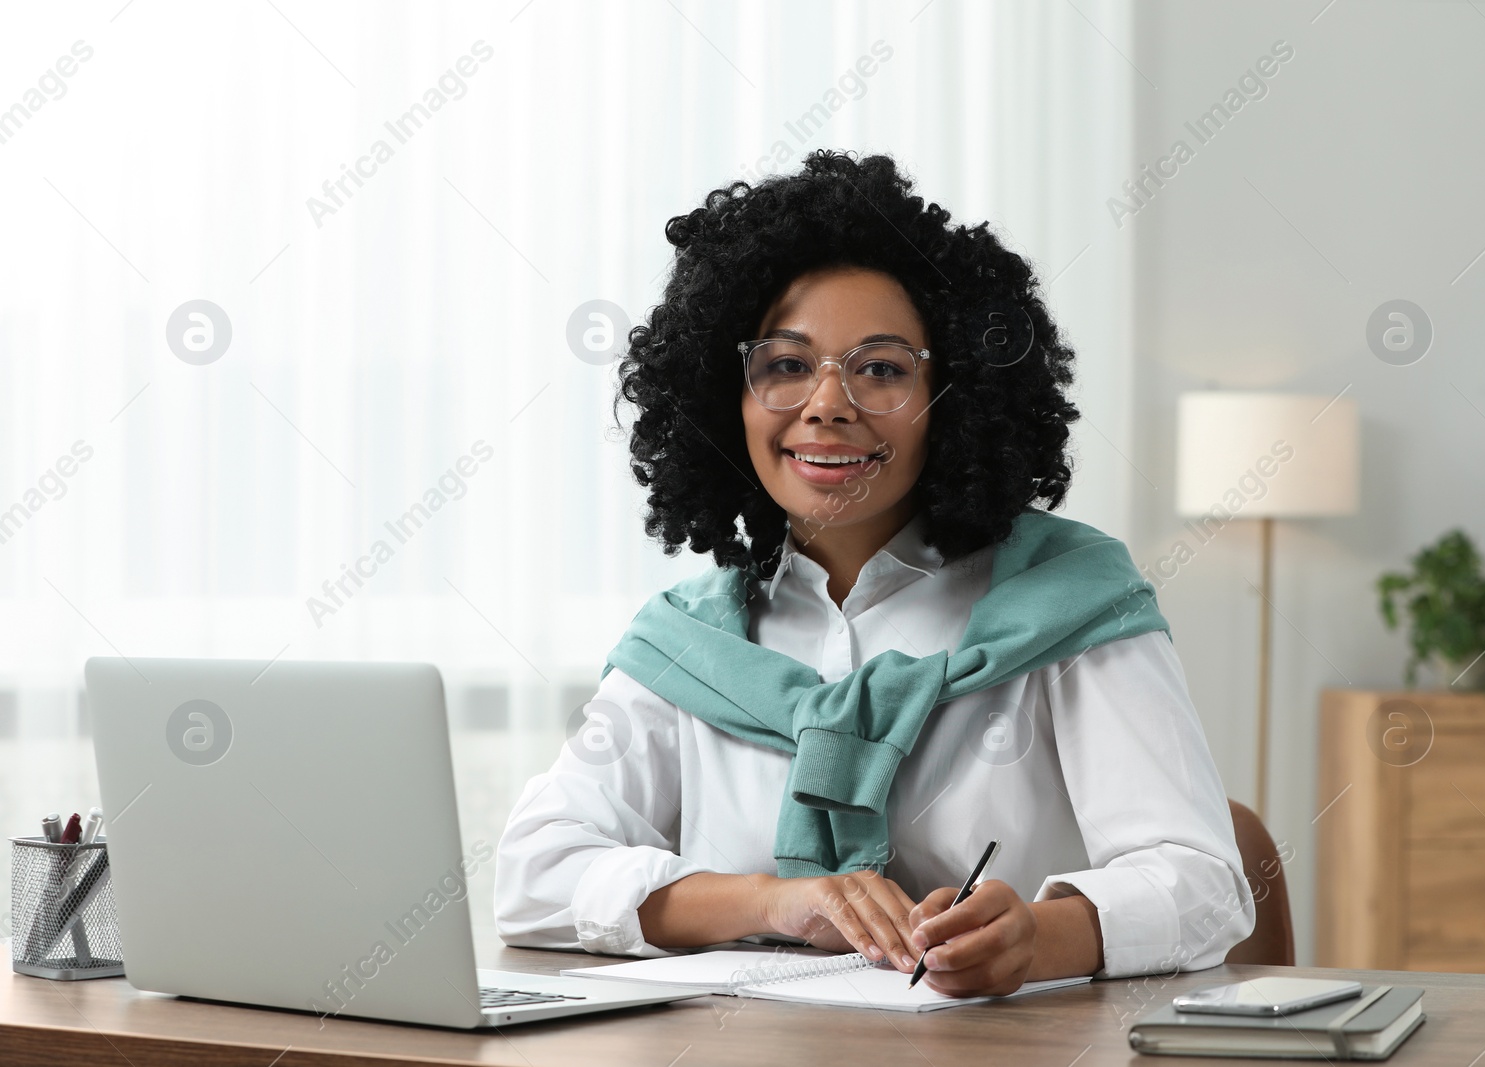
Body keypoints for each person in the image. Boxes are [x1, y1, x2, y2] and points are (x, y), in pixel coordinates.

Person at [494, 149, 1252, 997]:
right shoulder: (689, 642)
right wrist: (776, 903)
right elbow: (533, 872)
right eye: (785, 364)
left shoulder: (1069, 603)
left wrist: (1042, 935)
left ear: (954, 399)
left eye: (881, 368)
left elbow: (1206, 884)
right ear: (727, 394)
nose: (826, 403)